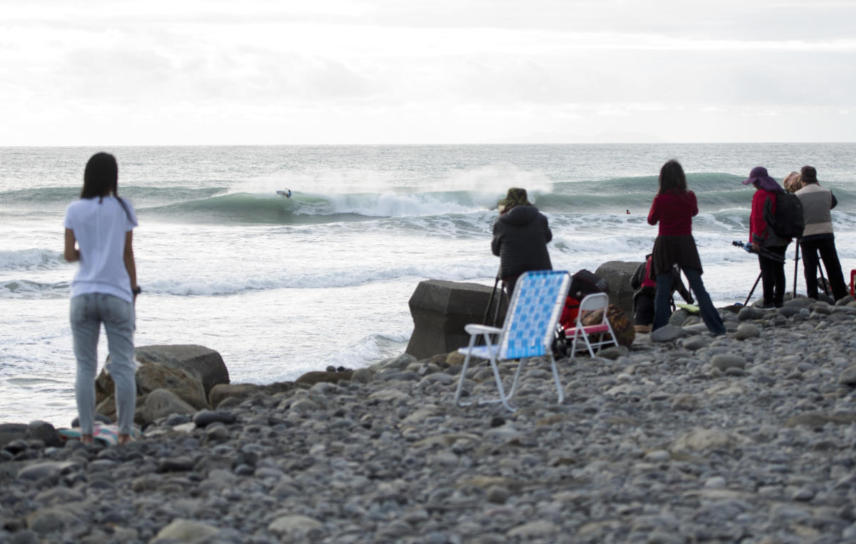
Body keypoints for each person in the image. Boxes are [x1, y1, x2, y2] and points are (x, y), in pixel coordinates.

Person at [64, 152, 139, 446]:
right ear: (113, 178)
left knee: (84, 366)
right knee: (122, 366)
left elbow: (70, 255)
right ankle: (123, 434)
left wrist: (90, 254)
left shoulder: (74, 209)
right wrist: (133, 291)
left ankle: (85, 434)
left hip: (82, 295)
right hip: (116, 293)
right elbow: (127, 254)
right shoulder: (123, 207)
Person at [647, 160, 725, 335]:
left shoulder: (660, 199)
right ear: (682, 178)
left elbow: (651, 220)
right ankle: (717, 328)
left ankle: (659, 330)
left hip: (665, 242)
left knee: (662, 288)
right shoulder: (690, 196)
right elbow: (694, 212)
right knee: (697, 286)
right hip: (685, 242)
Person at [796, 165, 848, 300]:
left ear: (802, 179)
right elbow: (831, 205)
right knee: (832, 265)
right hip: (826, 232)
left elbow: (795, 214)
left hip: (806, 234)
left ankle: (812, 296)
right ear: (816, 178)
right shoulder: (827, 192)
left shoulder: (797, 195)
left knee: (810, 267)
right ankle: (841, 295)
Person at [491, 188, 552, 297]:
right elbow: (547, 238)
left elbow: (496, 250)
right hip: (540, 272)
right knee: (538, 306)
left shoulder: (501, 222)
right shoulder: (540, 218)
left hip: (513, 274)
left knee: (515, 308)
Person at [743, 166, 790, 308]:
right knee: (779, 269)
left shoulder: (761, 195)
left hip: (767, 239)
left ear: (757, 181)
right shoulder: (778, 192)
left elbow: (759, 219)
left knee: (767, 270)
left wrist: (756, 240)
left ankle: (768, 301)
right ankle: (779, 300)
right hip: (782, 237)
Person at [631, 254, 693, 333]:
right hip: (662, 301)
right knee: (663, 329)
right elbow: (681, 289)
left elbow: (633, 283)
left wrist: (643, 289)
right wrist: (690, 301)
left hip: (643, 300)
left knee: (639, 329)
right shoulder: (671, 269)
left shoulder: (644, 265)